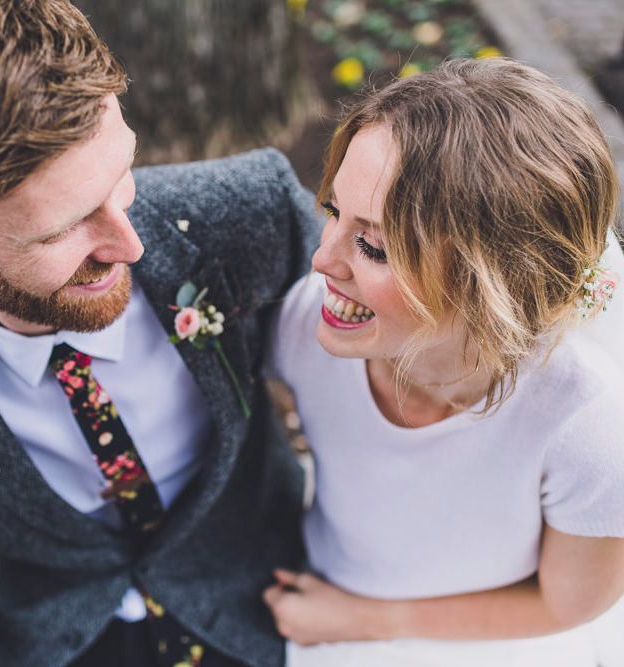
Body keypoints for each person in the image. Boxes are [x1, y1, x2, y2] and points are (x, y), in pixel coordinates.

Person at [0, 2, 319, 666]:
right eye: (61, 229)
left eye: (121, 171)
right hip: (37, 640)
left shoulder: (252, 215)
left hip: (271, 606)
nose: (129, 243)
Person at [263, 58, 624, 667]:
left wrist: (363, 620)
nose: (323, 260)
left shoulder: (589, 424)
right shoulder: (309, 322)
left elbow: (568, 603)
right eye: (333, 213)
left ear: (494, 288)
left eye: (373, 246)